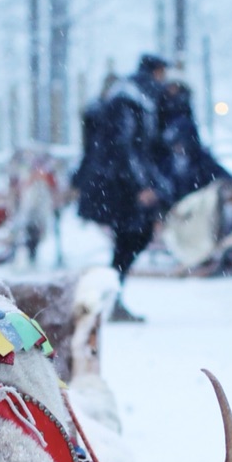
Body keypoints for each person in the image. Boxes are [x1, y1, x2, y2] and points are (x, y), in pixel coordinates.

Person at [74, 54, 176, 321]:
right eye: (162, 74)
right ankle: (108, 298)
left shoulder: (135, 96)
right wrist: (140, 185)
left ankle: (110, 298)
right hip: (118, 186)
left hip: (118, 184)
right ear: (155, 72)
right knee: (132, 238)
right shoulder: (129, 99)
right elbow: (124, 148)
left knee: (131, 239)